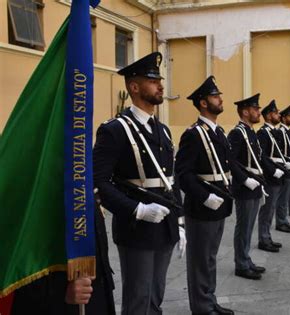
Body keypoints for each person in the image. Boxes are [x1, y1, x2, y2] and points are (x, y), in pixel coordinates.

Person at [93, 52, 186, 315]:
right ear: (134, 87)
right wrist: (137, 209)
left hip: (165, 223)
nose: (160, 85)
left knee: (156, 296)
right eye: (152, 80)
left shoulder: (163, 130)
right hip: (137, 227)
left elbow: (172, 179)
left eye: (159, 80)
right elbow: (99, 182)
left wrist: (179, 222)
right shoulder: (115, 129)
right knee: (138, 298)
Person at [175, 76, 239, 315]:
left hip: (219, 206)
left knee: (210, 257)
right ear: (203, 103)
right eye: (215, 96)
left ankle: (209, 300)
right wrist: (204, 197)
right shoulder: (193, 134)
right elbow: (183, 174)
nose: (220, 99)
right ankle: (202, 307)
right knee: (200, 260)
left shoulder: (219, 132)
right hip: (202, 208)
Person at [11, 196, 116, 315]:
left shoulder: (81, 182)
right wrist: (60, 292)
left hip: (94, 295)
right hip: (54, 303)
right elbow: (16, 261)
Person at [227, 93, 267, 280]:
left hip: (255, 184)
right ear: (245, 112)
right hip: (245, 187)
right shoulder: (237, 133)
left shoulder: (250, 132)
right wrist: (244, 179)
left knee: (250, 225)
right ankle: (241, 264)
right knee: (243, 226)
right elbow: (231, 160)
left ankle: (246, 258)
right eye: (255, 109)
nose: (258, 112)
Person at [256, 100, 290, 252]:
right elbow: (262, 156)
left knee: (272, 208)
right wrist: (272, 170)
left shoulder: (274, 132)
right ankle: (263, 239)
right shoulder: (263, 133)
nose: (279, 115)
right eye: (276, 113)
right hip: (271, 176)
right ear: (269, 116)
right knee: (267, 209)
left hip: (279, 173)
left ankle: (267, 236)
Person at [274, 105, 290, 232]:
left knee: (286, 195)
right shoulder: (280, 132)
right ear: (284, 119)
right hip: (284, 167)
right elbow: (279, 153)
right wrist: (289, 163)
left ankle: (283, 219)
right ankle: (280, 221)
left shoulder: (288, 132)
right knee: (282, 197)